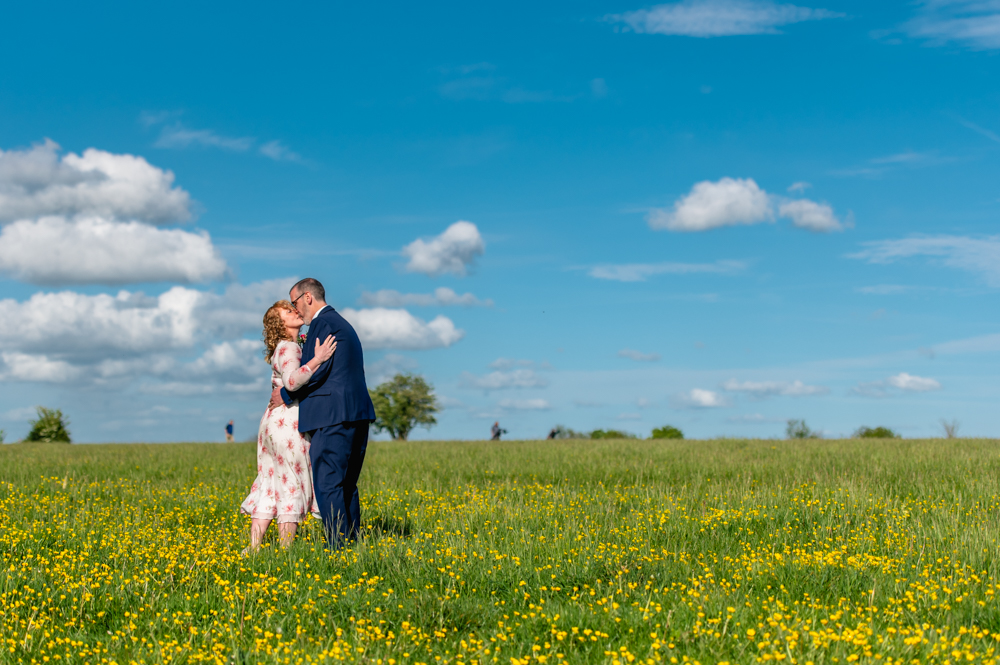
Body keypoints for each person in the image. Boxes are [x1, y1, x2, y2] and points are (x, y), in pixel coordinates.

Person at [269, 278, 376, 549]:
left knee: (329, 484)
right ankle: (352, 545)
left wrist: (283, 395)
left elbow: (316, 372)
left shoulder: (322, 325)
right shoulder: (342, 323)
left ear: (307, 297)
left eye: (294, 303)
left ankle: (339, 549)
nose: (296, 310)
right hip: (356, 413)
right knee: (347, 484)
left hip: (332, 416)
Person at [240, 300, 337, 553]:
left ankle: (253, 547)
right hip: (287, 422)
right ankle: (285, 552)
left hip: (273, 423)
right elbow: (293, 382)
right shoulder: (289, 348)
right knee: (290, 483)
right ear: (280, 324)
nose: (294, 311)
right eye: (287, 310)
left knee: (270, 483)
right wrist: (318, 359)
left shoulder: (283, 348)